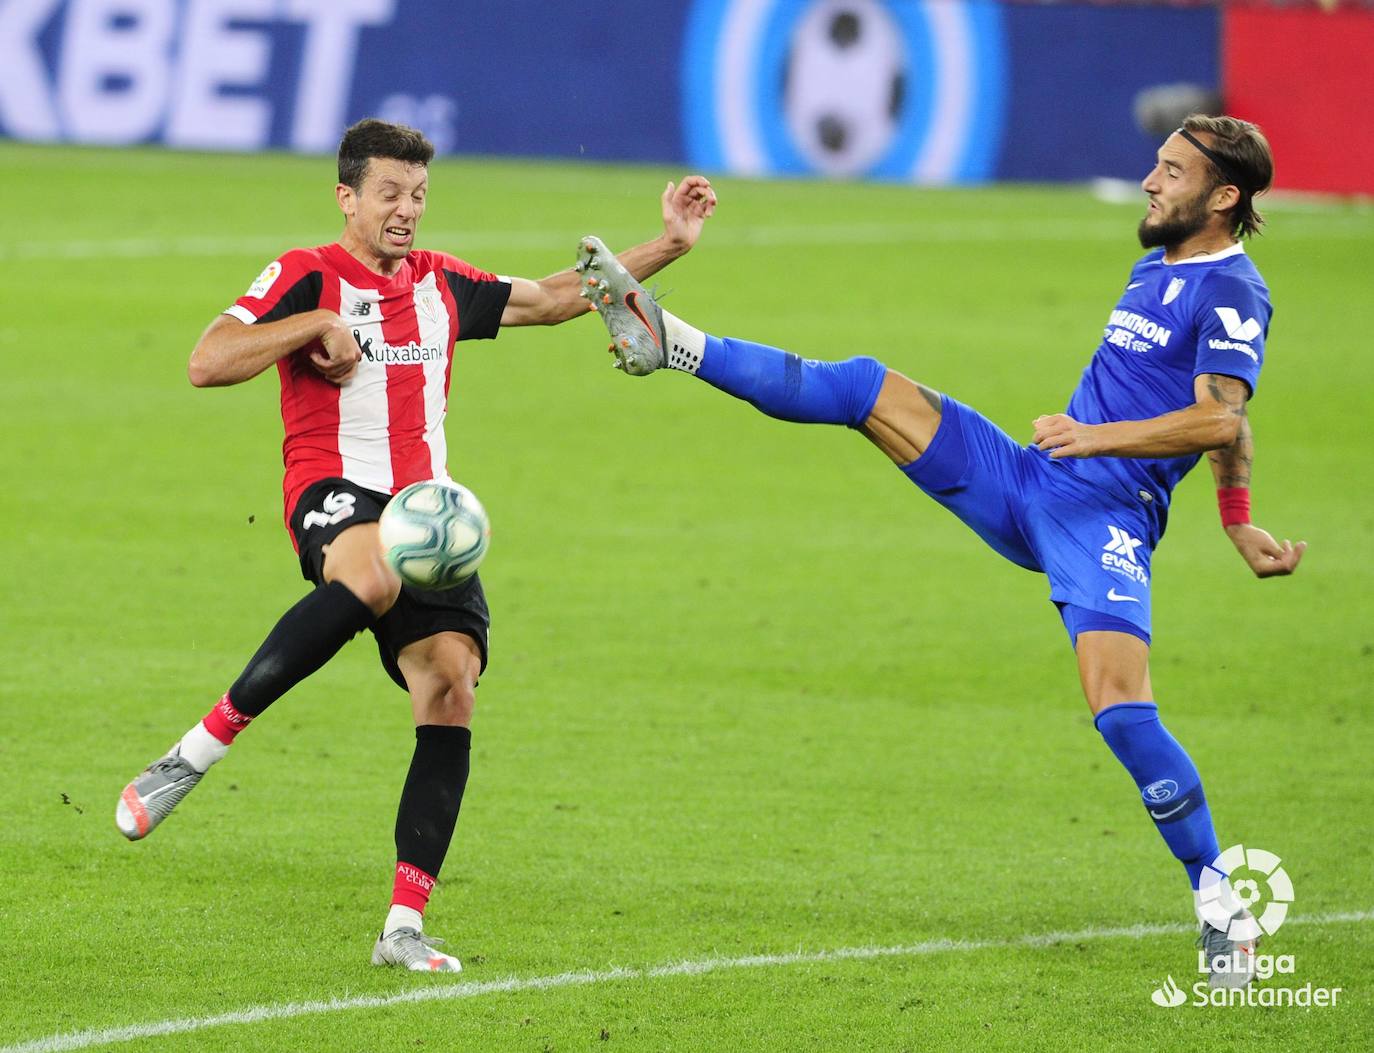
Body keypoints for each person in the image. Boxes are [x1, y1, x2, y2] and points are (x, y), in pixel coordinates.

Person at [577, 114, 1301, 989]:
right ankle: (672, 343)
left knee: (1120, 709)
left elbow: (1223, 414)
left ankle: (1224, 906)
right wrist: (1236, 515)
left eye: (1172, 171)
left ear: (1223, 197)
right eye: (1156, 164)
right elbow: (1218, 424)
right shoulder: (1159, 262)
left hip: (1102, 515)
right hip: (1037, 478)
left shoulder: (1231, 290)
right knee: (864, 386)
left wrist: (1118, 451)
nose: (1151, 180)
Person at [115, 118, 717, 973]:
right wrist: (310, 324)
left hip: (426, 516)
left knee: (451, 686)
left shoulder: (441, 283)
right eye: (390, 194)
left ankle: (403, 924)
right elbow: (208, 361)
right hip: (336, 492)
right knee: (369, 574)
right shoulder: (305, 273)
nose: (407, 211)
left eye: (420, 196)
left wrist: (669, 244)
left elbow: (550, 299)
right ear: (348, 197)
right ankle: (194, 752)